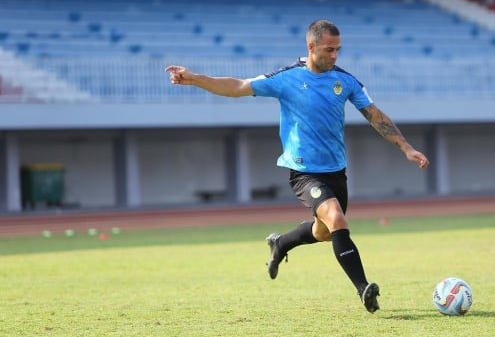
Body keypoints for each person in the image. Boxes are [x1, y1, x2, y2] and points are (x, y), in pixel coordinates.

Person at [165, 19, 430, 313]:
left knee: (324, 231)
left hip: (336, 172)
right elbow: (238, 86)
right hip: (304, 173)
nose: (334, 56)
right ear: (311, 46)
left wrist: (406, 147)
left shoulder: (346, 81)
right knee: (337, 219)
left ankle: (281, 244)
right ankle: (364, 290)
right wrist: (194, 78)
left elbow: (375, 115)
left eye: (338, 50)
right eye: (329, 50)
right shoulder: (287, 78)